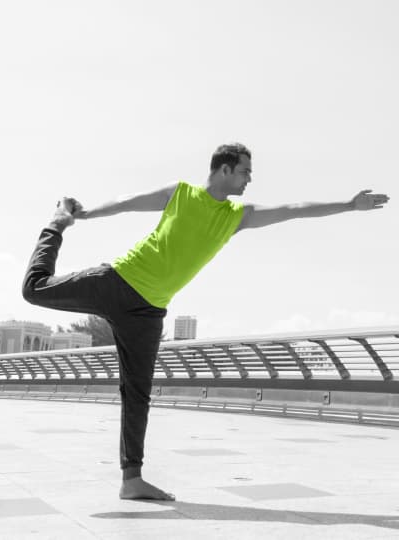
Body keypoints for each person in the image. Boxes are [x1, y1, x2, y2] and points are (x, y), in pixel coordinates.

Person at [21, 142, 390, 501]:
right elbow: (128, 204)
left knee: (137, 394)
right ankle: (55, 226)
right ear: (224, 169)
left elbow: (293, 208)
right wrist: (81, 215)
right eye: (245, 171)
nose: (249, 179)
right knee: (34, 289)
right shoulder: (180, 193)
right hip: (118, 281)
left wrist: (348, 205)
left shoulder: (236, 217)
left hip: (150, 311)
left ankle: (131, 480)